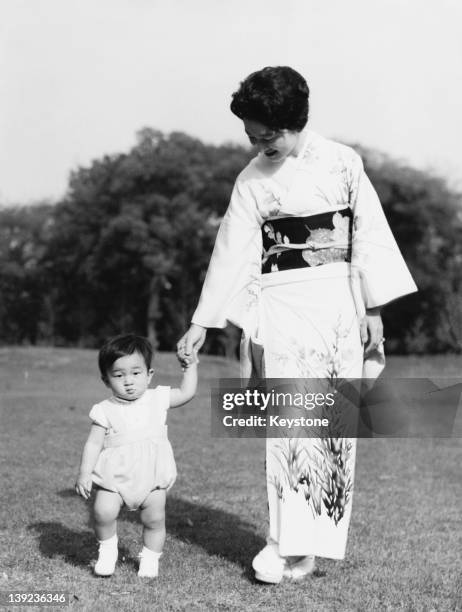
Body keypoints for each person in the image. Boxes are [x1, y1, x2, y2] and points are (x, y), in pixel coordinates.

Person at [177, 66, 417, 583]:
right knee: (288, 427)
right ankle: (281, 542)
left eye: (268, 135)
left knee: (331, 427)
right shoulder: (251, 180)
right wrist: (202, 321)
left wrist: (372, 307)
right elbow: (231, 253)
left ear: (294, 120)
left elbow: (368, 237)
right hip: (280, 307)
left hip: (337, 304)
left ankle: (305, 550)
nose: (259, 144)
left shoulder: (343, 163)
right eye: (251, 136)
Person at [75, 333, 197, 578]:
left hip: (151, 477)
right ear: (106, 380)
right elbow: (93, 444)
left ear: (149, 374)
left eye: (136, 373)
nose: (128, 381)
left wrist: (191, 366)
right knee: (103, 511)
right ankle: (108, 549)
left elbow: (186, 393)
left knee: (154, 519)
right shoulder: (104, 409)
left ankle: (150, 558)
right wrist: (85, 473)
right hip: (114, 479)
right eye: (119, 375)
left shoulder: (157, 398)